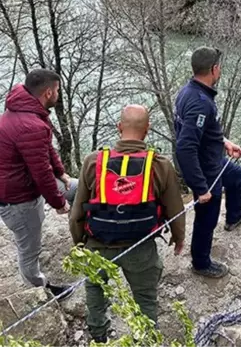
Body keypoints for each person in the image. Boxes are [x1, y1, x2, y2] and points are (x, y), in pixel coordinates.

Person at [69, 104, 185, 343]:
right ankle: (147, 339)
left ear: (119, 127)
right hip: (140, 246)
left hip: (98, 244)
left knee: (96, 290)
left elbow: (78, 211)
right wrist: (178, 237)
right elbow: (175, 209)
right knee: (145, 298)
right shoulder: (159, 165)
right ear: (147, 130)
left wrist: (80, 242)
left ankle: (99, 335)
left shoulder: (94, 162)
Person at [174, 47, 241, 279]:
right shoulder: (200, 102)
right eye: (219, 65)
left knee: (236, 175)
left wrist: (224, 142)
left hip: (213, 158)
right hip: (205, 169)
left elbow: (203, 130)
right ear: (213, 69)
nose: (220, 69)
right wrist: (201, 187)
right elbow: (185, 146)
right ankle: (200, 262)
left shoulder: (190, 92)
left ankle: (234, 216)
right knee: (207, 216)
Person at [0, 69, 78, 298]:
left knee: (77, 187)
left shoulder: (27, 111)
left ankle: (84, 234)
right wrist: (57, 202)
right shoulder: (30, 124)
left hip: (23, 182)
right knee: (29, 249)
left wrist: (62, 174)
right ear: (47, 92)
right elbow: (41, 173)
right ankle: (41, 290)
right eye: (57, 91)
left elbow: (44, 149)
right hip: (17, 198)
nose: (58, 95)